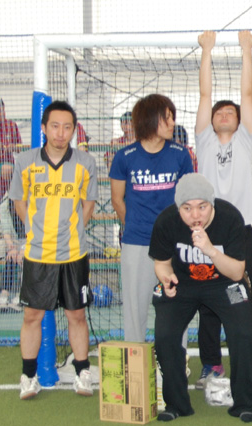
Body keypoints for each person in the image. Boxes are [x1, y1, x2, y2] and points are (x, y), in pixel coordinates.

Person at [149, 173, 252, 423]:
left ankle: (244, 403)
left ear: (212, 204)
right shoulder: (166, 220)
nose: (195, 215)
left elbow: (237, 272)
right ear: (178, 207)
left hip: (224, 283)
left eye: (202, 207)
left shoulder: (230, 218)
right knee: (165, 336)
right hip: (183, 284)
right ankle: (176, 404)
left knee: (244, 331)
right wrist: (166, 279)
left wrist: (210, 250)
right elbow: (162, 263)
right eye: (187, 208)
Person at [8, 100, 97, 400]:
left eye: (67, 127)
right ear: (44, 128)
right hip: (38, 254)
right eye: (55, 126)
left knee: (77, 315)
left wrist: (73, 231)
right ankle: (29, 376)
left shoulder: (85, 163)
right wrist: (36, 231)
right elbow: (19, 202)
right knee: (32, 316)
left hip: (74, 253)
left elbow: (88, 204)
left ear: (74, 130)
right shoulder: (25, 161)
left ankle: (83, 372)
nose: (61, 133)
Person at [193, 30, 252, 389]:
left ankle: (250, 364)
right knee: (208, 302)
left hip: (242, 232)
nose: (224, 114)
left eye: (230, 112)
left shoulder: (246, 139)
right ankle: (211, 364)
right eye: (219, 112)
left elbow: (248, 95)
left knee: (246, 301)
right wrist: (206, 50)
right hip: (206, 234)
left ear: (239, 121)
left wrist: (247, 50)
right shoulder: (204, 139)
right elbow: (205, 94)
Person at [109, 94, 193, 342]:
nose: (172, 123)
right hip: (136, 242)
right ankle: (135, 356)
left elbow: (188, 199)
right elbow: (117, 200)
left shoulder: (181, 154)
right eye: (167, 118)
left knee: (176, 304)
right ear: (149, 119)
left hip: (174, 243)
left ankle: (177, 357)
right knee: (135, 308)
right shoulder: (124, 156)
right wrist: (137, 226)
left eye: (172, 117)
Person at [0, 198, 26, 313]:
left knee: (25, 260)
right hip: (15, 241)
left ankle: (21, 296)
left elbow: (35, 231)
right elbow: (6, 230)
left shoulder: (33, 202)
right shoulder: (5, 206)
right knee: (10, 258)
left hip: (33, 242)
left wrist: (23, 250)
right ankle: (4, 295)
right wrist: (12, 248)